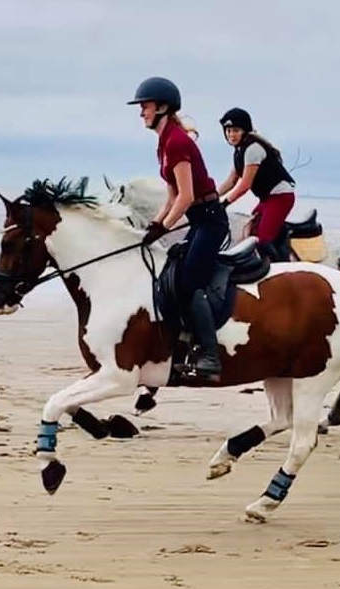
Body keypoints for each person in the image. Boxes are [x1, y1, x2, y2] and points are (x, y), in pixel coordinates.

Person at [127, 76, 227, 380]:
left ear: (162, 107)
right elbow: (172, 196)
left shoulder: (177, 142)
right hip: (199, 219)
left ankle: (210, 354)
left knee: (188, 283)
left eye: (144, 106)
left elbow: (187, 196)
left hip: (210, 220)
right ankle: (184, 342)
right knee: (171, 273)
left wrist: (165, 228)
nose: (141, 112)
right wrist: (155, 224)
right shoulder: (164, 142)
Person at [216, 107, 296, 260]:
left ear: (245, 130)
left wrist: (225, 203)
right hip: (267, 199)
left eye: (236, 130)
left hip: (280, 197)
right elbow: (231, 181)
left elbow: (245, 185)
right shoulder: (239, 151)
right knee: (250, 229)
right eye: (228, 131)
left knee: (262, 241)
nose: (231, 135)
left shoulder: (253, 149)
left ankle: (282, 272)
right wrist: (212, 197)